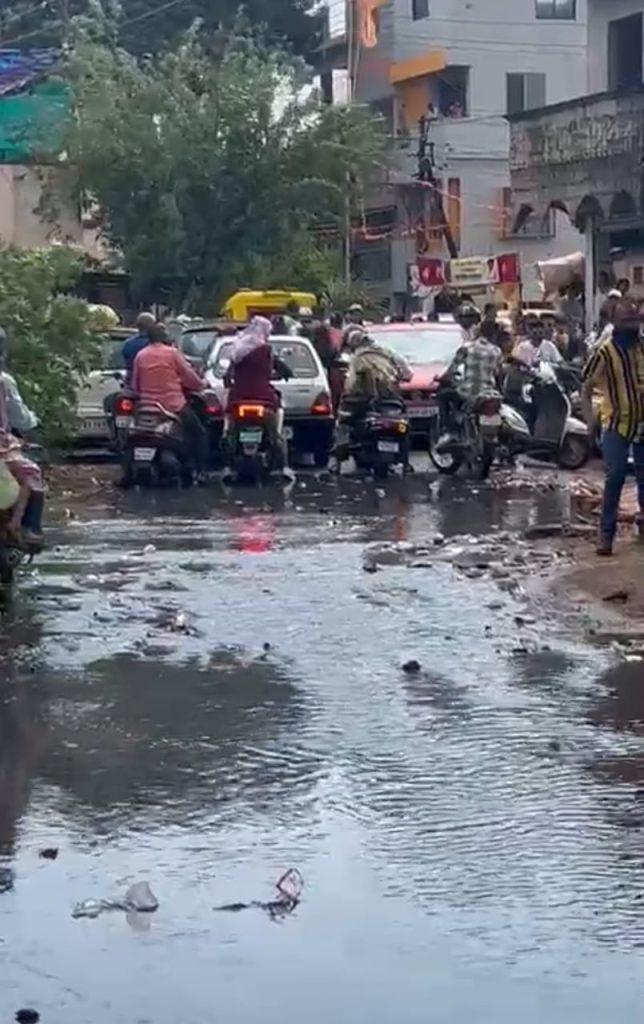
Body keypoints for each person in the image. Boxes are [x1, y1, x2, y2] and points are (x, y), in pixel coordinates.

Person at [581, 297, 644, 556]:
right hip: (615, 424)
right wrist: (589, 421)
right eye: (626, 320)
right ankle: (606, 537)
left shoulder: (642, 347)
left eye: (635, 320)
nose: (632, 325)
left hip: (642, 423)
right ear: (614, 322)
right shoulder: (604, 353)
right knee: (616, 476)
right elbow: (585, 388)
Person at [131, 323, 208, 478]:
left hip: (147, 408)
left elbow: (135, 385)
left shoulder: (141, 355)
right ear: (164, 337)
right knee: (200, 434)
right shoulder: (172, 354)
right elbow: (189, 377)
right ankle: (201, 472)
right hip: (173, 406)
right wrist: (201, 384)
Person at [224, 316, 293, 473]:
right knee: (279, 411)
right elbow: (268, 373)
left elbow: (228, 376)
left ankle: (226, 435)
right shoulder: (265, 350)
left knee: (229, 422)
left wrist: (231, 384)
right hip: (263, 398)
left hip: (238, 398)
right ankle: (276, 438)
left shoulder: (237, 348)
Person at [122, 312, 157, 384]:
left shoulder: (128, 343)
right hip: (149, 383)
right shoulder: (153, 344)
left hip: (130, 382)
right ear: (152, 326)